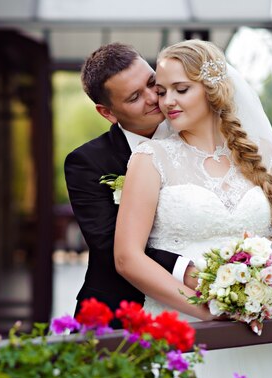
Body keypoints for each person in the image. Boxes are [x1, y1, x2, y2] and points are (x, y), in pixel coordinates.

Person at [114, 39, 272, 378]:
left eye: (181, 89)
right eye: (162, 91)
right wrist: (205, 309)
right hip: (184, 332)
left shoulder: (261, 155)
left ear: (211, 89)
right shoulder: (149, 158)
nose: (167, 101)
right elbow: (127, 257)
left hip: (266, 331)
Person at [64, 43, 194, 327]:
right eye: (135, 97)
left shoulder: (197, 135)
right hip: (122, 312)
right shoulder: (86, 163)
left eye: (152, 83)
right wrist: (187, 270)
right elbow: (110, 245)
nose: (153, 98)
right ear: (107, 113)